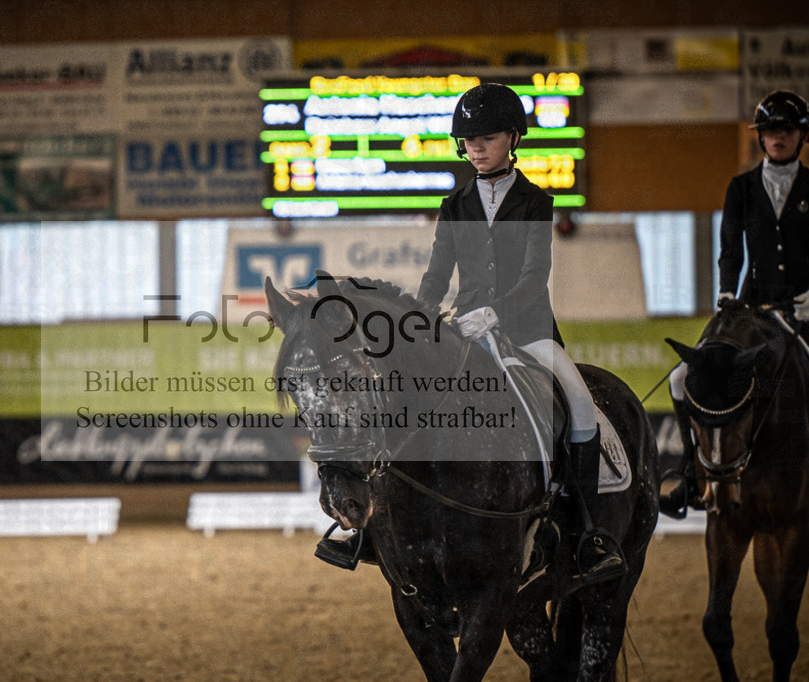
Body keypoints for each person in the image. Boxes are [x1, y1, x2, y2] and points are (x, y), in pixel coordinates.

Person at [317, 83, 626, 586]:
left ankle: (588, 533)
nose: (476, 147)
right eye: (469, 139)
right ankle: (373, 529)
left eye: (486, 137)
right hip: (462, 330)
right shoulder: (455, 203)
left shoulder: (535, 202)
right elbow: (437, 277)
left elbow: (534, 279)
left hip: (527, 332)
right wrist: (416, 320)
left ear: (513, 137)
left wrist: (496, 313)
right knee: (400, 399)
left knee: (580, 403)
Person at [660, 89, 809, 518]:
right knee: (679, 377)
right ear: (761, 138)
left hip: (803, 309)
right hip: (750, 306)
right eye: (770, 130)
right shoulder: (741, 187)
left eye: (786, 130)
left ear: (800, 136)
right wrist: (726, 291)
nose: (778, 137)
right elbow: (730, 248)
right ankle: (690, 476)